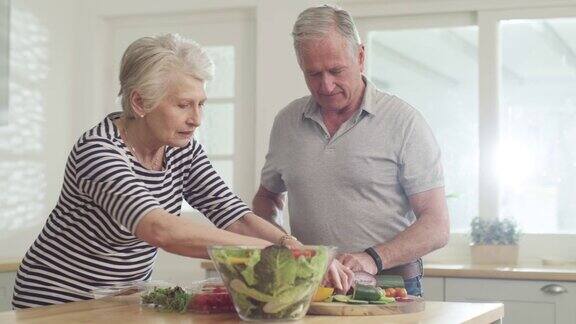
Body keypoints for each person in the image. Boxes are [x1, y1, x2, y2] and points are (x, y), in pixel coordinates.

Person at [11, 33, 349, 309]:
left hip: (118, 299)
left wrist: (298, 249)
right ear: (139, 103)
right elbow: (160, 229)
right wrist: (269, 252)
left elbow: (234, 215)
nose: (197, 118)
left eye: (201, 103)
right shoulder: (98, 151)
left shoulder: (181, 150)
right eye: (183, 105)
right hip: (56, 302)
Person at [252, 5, 450, 297]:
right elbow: (267, 199)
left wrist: (372, 257)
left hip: (390, 288)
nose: (326, 85)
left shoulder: (404, 122)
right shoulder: (287, 122)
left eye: (336, 71)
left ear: (360, 56)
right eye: (314, 74)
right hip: (311, 287)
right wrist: (285, 249)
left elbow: (437, 224)